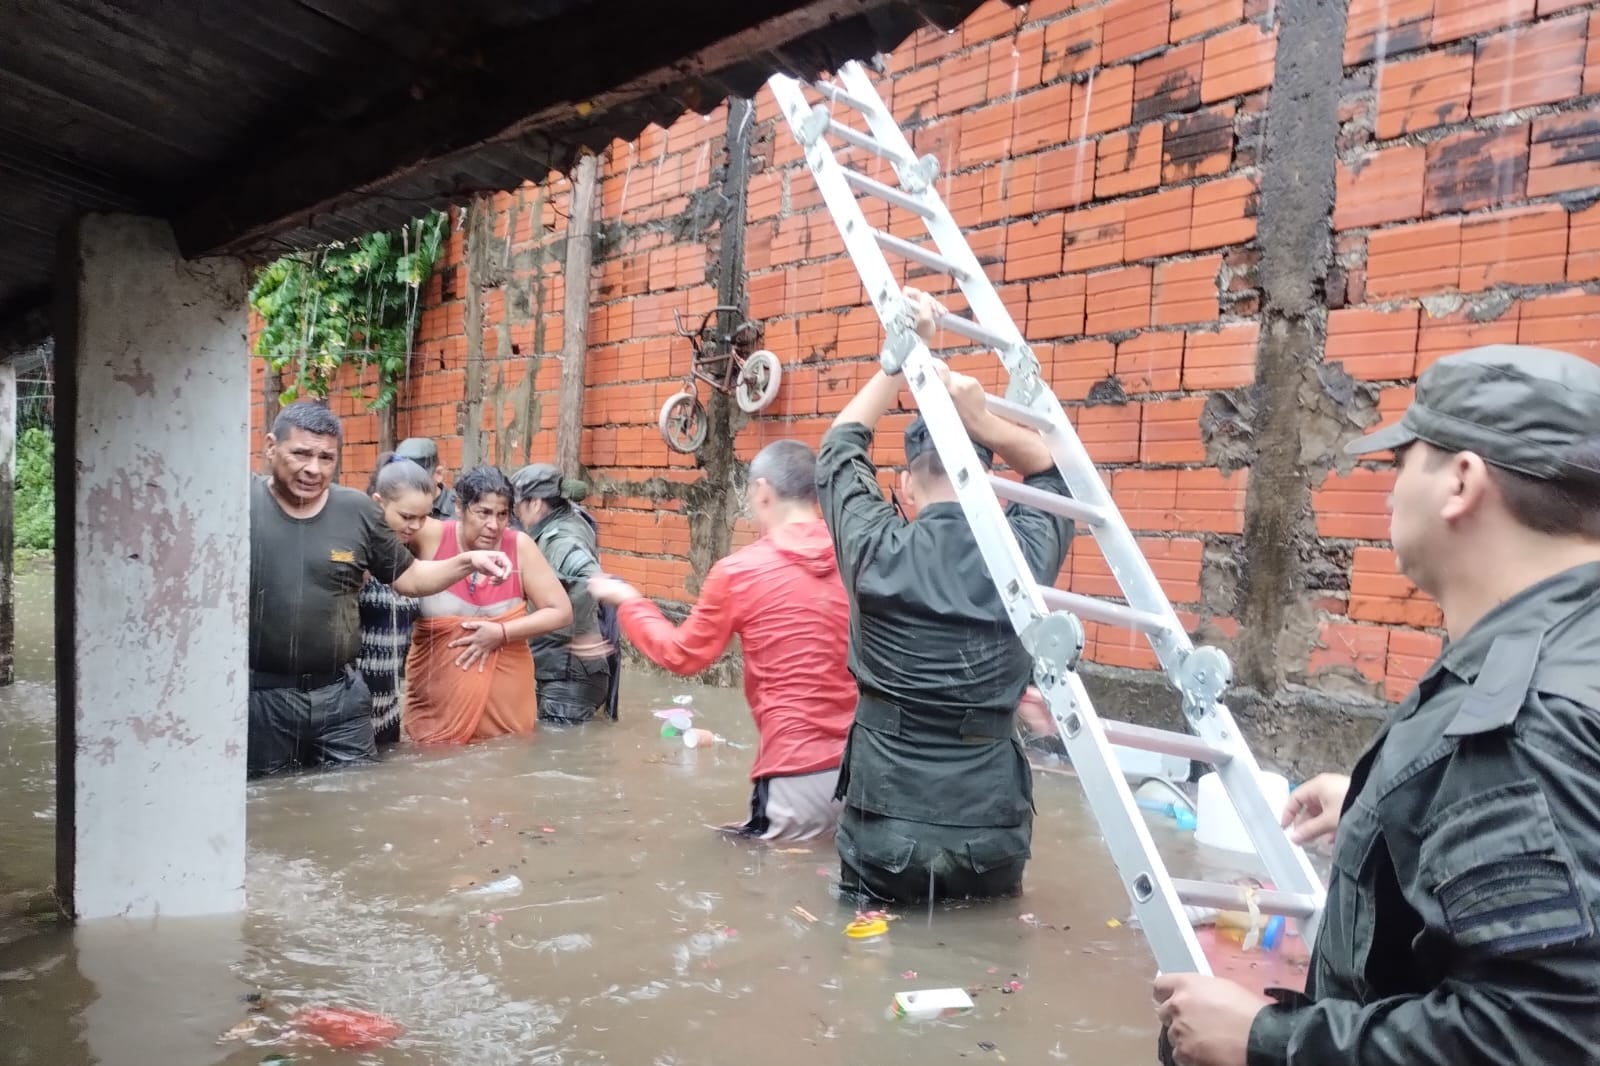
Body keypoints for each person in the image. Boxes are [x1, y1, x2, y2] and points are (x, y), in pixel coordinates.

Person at [1153, 344, 1600, 1066]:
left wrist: (1266, 1041)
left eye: (1401, 462)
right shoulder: (1566, 646)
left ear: (1461, 481)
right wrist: (1388, 811)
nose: (1389, 493)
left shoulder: (1526, 720)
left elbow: (1537, 1035)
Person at [817, 287, 1074, 904]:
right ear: (987, 480)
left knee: (866, 952)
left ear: (906, 486)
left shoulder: (875, 549)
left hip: (886, 825)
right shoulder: (1021, 559)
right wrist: (982, 419)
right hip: (992, 832)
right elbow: (1058, 475)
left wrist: (903, 354)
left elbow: (838, 447)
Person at [590, 440, 857, 842]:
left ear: (763, 491)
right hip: (869, 772)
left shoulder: (740, 572)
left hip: (794, 773)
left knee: (752, 869)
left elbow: (681, 655)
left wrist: (630, 602)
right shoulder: (859, 556)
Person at [249, 403, 513, 778]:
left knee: (359, 794)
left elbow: (411, 577)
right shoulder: (241, 505)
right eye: (301, 454)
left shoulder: (354, 510)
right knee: (270, 799)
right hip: (262, 697)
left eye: (326, 458)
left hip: (340, 696)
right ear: (271, 447)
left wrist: (469, 561)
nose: (314, 469)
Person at [401, 465, 571, 745]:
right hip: (435, 709)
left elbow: (561, 612)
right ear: (459, 507)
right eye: (483, 513)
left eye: (502, 515)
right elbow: (381, 525)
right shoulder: (429, 536)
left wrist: (501, 633)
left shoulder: (519, 547)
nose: (494, 525)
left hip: (507, 716)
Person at [510, 464, 619, 724]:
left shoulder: (560, 539)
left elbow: (591, 577)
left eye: (518, 506)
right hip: (564, 670)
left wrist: (582, 633)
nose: (516, 514)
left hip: (568, 675)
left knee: (557, 747)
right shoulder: (571, 517)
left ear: (536, 503)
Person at [356, 453, 433, 745]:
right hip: (348, 710)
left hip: (389, 709)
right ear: (378, 503)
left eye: (423, 517)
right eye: (407, 517)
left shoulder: (413, 554)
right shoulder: (355, 553)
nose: (415, 526)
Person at [395, 436, 456, 519]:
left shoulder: (459, 510)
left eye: (416, 480)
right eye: (401, 478)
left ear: (438, 474)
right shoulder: (392, 505)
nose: (408, 486)